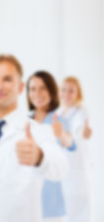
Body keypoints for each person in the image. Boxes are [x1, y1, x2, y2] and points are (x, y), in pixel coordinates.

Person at [0, 54, 68, 222]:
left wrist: (39, 157)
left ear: (20, 88)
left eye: (7, 79)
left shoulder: (37, 131)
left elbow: (61, 166)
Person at [27, 71, 76, 222]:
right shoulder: (25, 122)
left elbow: (70, 143)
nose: (37, 93)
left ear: (51, 91)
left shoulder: (59, 120)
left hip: (52, 203)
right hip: (27, 199)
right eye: (33, 89)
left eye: (43, 88)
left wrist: (62, 135)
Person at [57, 76, 92, 222]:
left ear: (78, 94)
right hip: (62, 176)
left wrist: (82, 132)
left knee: (78, 215)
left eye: (71, 91)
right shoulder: (57, 114)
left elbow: (80, 130)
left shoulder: (81, 112)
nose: (67, 94)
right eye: (64, 90)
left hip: (77, 176)